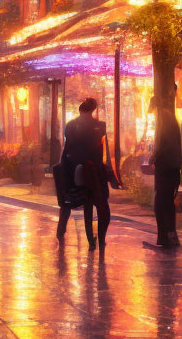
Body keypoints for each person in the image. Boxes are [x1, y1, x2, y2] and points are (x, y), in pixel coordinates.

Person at [56, 97, 110, 250]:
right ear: (93, 110)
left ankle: (61, 231)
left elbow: (67, 150)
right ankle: (100, 238)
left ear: (80, 110)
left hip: (73, 171)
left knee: (67, 203)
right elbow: (102, 150)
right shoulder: (100, 126)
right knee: (102, 206)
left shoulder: (71, 125)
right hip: (94, 171)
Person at [152, 105, 182, 248]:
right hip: (173, 169)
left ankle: (164, 237)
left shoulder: (164, 121)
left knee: (161, 203)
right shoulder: (171, 121)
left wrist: (154, 157)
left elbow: (162, 146)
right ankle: (171, 236)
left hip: (165, 169)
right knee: (168, 203)